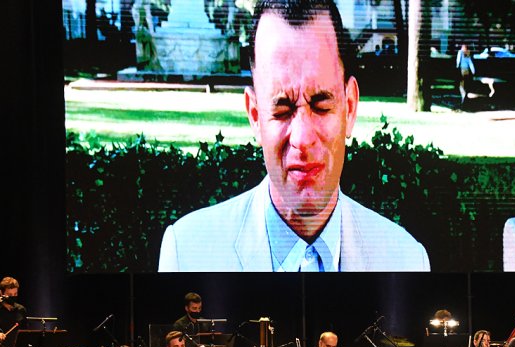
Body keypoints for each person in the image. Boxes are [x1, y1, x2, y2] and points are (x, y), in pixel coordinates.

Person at [157, 0, 430, 273]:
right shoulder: (187, 255)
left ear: (350, 107)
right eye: (283, 110)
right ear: (255, 115)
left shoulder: (407, 260)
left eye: (321, 106)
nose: (302, 138)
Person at [456, 44, 475, 108]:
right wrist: (473, 70)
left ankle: (463, 97)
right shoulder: (467, 53)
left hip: (462, 70)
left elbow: (458, 60)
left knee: (461, 84)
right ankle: (465, 97)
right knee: (465, 84)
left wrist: (457, 66)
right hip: (467, 70)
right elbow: (470, 62)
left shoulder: (460, 52)